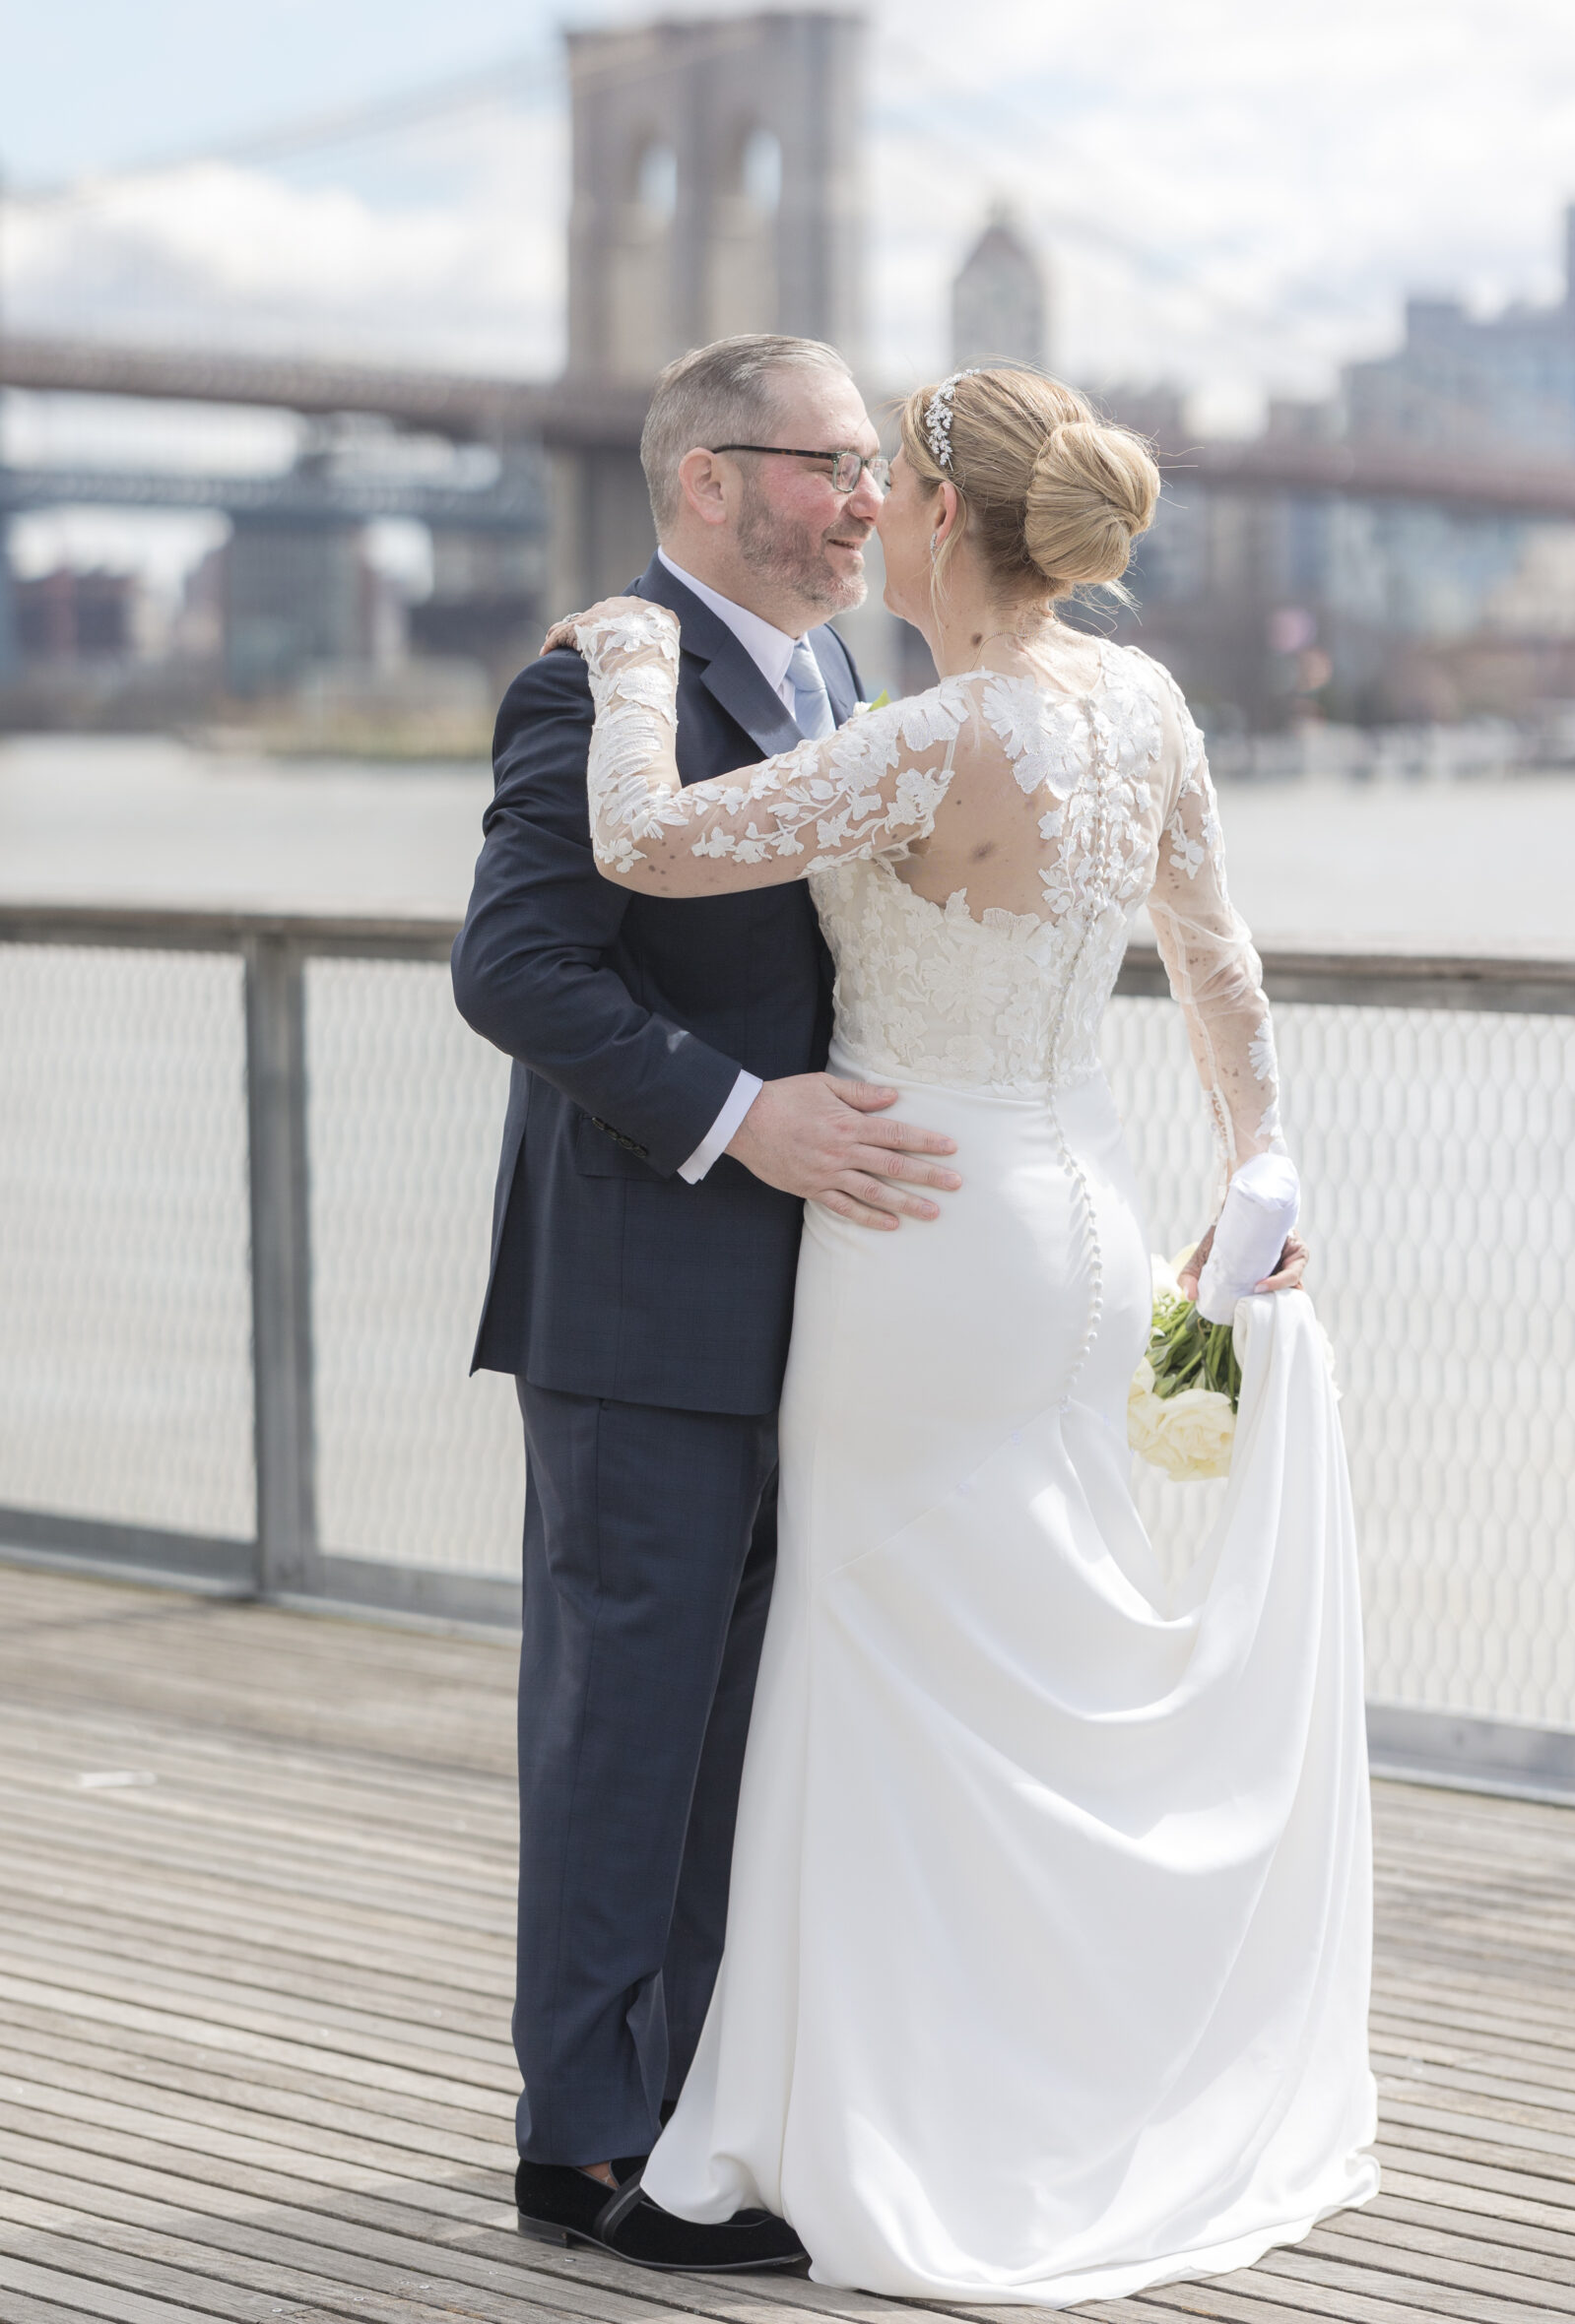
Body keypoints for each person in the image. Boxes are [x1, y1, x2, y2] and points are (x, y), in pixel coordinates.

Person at [543, 361, 1378, 2303]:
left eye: (879, 480)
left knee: (876, 1669)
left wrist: (628, 661)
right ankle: (1059, 2069)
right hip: (1086, 1227)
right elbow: (1219, 963)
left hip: (916, 1236)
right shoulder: (1141, 702)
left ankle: (836, 2121)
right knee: (1034, 1648)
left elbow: (643, 844)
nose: (860, 511)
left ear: (937, 512)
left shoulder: (935, 736)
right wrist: (1259, 1172)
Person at [452, 334, 966, 2272]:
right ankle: (576, 2142)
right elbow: (515, 970)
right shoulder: (595, 678)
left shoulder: (840, 676)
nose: (864, 500)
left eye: (871, 466)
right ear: (703, 483)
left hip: (818, 1300)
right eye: (826, 464)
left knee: (740, 1731)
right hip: (643, 1292)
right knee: (624, 1728)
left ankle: (685, 2114)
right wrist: (742, 1118)